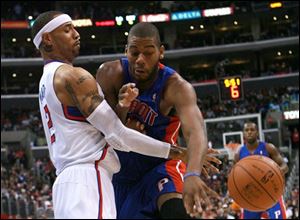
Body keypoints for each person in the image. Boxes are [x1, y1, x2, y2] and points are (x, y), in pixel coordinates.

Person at [32, 11, 196, 219]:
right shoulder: (74, 76)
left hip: (65, 186)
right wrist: (177, 152)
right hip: (88, 179)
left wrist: (122, 106)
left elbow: (104, 128)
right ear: (47, 38)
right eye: (67, 29)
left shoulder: (45, 81)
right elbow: (118, 136)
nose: (76, 34)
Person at [96, 22, 221, 219]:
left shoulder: (176, 87)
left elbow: (195, 132)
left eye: (148, 52)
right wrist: (122, 112)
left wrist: (192, 173)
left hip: (160, 165)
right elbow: (103, 131)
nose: (140, 60)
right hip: (120, 175)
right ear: (126, 50)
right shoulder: (110, 74)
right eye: (134, 52)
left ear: (160, 52)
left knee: (174, 209)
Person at [234, 122, 289, 219]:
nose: (249, 132)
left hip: (271, 194)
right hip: (251, 197)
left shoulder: (268, 148)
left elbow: (285, 166)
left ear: (257, 132)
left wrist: (275, 173)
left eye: (252, 130)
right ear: (243, 133)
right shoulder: (239, 154)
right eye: (247, 130)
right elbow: (234, 177)